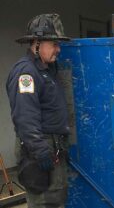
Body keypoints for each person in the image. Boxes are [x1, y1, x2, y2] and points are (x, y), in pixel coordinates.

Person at [6, 14, 71, 208]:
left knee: (56, 198)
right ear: (36, 44)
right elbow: (25, 117)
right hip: (40, 149)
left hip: (52, 146)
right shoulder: (26, 73)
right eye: (54, 44)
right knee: (45, 202)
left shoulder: (47, 70)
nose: (58, 49)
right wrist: (40, 151)